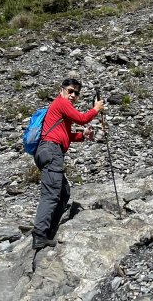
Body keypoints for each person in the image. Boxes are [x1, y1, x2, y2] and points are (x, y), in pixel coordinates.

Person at [32, 77, 103, 250]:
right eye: (70, 91)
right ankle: (41, 235)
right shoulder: (61, 103)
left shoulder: (58, 107)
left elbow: (64, 135)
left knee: (63, 192)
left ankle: (49, 230)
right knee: (50, 194)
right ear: (62, 89)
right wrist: (96, 109)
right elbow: (82, 119)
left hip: (48, 150)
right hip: (51, 151)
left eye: (76, 93)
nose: (73, 95)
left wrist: (82, 136)